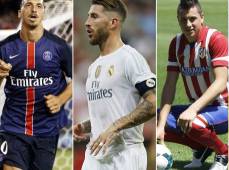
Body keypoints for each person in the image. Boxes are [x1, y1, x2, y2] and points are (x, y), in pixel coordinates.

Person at [72, 0, 156, 169]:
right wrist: (86, 126)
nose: (87, 22)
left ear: (113, 23)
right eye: (88, 16)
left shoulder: (130, 58)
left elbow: (152, 104)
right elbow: (111, 113)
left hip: (124, 155)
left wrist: (115, 127)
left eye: (94, 16)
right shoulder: (93, 67)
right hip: (95, 154)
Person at [0, 0, 72, 169]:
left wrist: (61, 99)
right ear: (19, 13)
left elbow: (77, 80)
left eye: (39, 6)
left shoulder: (59, 47)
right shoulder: (5, 48)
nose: (34, 10)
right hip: (13, 128)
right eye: (28, 5)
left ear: (44, 12)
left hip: (46, 130)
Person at [156, 0, 228, 169]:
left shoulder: (216, 39)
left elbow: (221, 81)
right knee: (155, 119)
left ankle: (223, 153)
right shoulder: (176, 44)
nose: (188, 24)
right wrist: (160, 125)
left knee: (194, 122)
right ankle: (202, 147)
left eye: (192, 18)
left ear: (202, 18)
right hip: (196, 108)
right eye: (183, 19)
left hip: (223, 108)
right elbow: (170, 85)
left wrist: (193, 109)